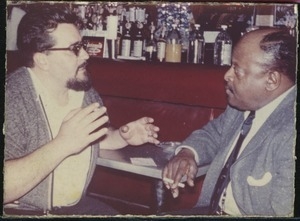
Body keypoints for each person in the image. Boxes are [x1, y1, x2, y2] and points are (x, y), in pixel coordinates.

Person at [4, 5, 160, 216]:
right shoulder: (12, 98)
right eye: (74, 48)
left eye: (83, 45)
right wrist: (63, 144)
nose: (86, 55)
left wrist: (122, 136)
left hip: (72, 208)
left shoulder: (84, 93)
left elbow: (88, 139)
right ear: (42, 59)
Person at [162, 28, 296, 216]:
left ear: (272, 80)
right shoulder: (243, 106)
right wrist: (187, 154)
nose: (227, 75)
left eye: (237, 70)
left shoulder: (291, 133)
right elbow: (213, 134)